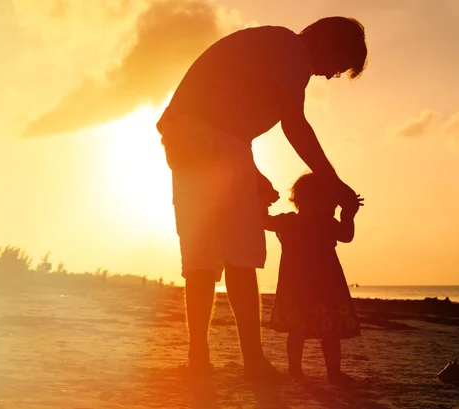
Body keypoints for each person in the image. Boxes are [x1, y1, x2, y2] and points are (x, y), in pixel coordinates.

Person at [156, 17, 368, 378]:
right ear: (330, 43)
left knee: (202, 254)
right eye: (338, 65)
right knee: (240, 252)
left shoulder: (271, 46)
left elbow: (229, 114)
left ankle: (199, 358)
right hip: (208, 135)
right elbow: (293, 124)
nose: (331, 75)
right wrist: (334, 184)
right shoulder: (294, 53)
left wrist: (253, 176)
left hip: (183, 136)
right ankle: (252, 361)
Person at [265, 172, 363, 384]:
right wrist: (348, 213)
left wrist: (261, 200)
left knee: (298, 330)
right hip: (326, 285)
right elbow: (347, 235)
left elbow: (263, 220)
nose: (332, 207)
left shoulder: (289, 222)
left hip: (298, 286)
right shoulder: (325, 222)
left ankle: (296, 370)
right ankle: (332, 373)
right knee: (329, 332)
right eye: (331, 201)